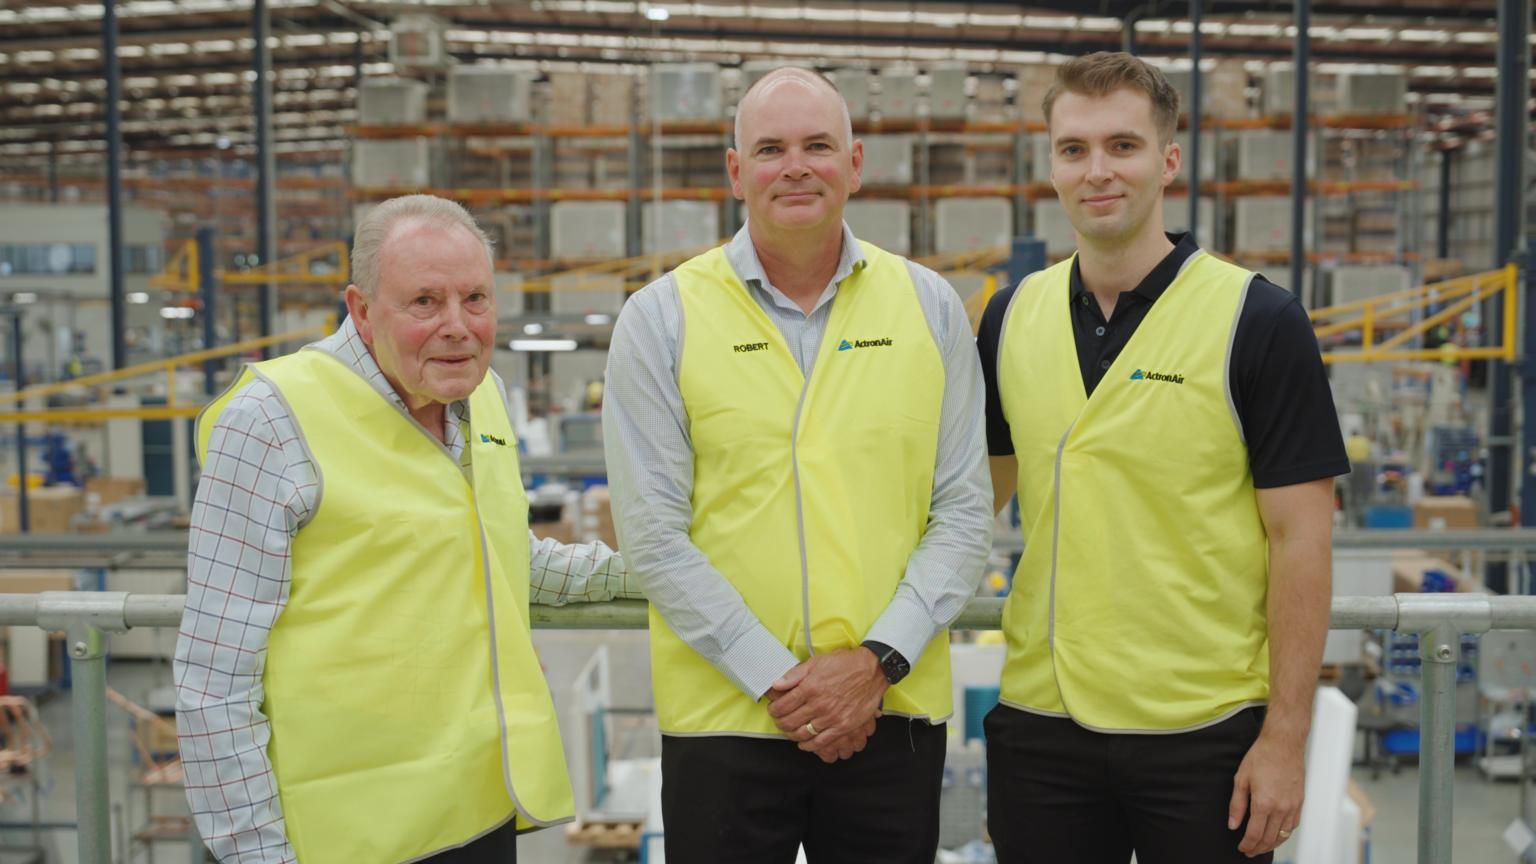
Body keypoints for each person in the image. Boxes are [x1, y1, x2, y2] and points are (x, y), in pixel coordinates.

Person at [602, 67, 992, 864]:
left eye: (818, 145)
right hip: (726, 722)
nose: (796, 166)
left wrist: (875, 663)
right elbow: (651, 534)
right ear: (736, 171)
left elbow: (963, 509)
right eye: (771, 148)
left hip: (891, 714)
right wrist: (781, 680)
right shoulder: (661, 319)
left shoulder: (928, 307)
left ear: (855, 163)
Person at [175, 194, 632, 863]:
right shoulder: (270, 421)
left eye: (475, 298)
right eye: (425, 302)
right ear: (361, 310)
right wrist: (255, 855)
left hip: (477, 812)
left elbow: (499, 558)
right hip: (345, 837)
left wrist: (661, 567)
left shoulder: (481, 397)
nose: (458, 326)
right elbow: (213, 678)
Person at [976, 52, 1349, 864]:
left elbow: (1302, 543)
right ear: (1050, 164)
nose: (1097, 170)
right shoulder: (1011, 317)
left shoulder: (1257, 320)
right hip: (1043, 725)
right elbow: (970, 508)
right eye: (1074, 149)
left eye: (1123, 145)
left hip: (1204, 731)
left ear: (1168, 160)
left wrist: (1285, 739)